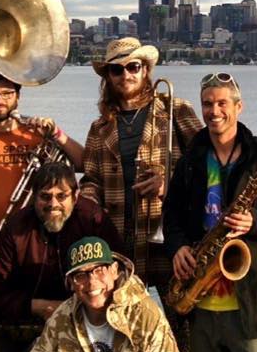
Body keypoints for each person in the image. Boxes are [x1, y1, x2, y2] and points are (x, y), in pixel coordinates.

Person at [0, 62, 86, 352]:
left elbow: (83, 163)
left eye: (7, 94)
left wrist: (55, 131)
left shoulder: (34, 132)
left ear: (18, 97)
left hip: (21, 244)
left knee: (21, 324)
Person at [163, 72, 257, 352]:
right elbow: (172, 214)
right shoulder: (190, 160)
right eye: (207, 104)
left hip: (250, 302)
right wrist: (177, 247)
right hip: (200, 300)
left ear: (239, 107)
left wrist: (255, 222)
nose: (214, 112)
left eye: (222, 103)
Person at [80, 37, 203, 287]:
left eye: (133, 67)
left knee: (180, 322)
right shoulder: (99, 127)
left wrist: (166, 184)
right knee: (123, 322)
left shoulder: (175, 110)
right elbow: (91, 179)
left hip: (169, 237)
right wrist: (91, 208)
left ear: (145, 69)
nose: (125, 75)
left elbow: (205, 166)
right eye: (116, 69)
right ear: (108, 77)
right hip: (118, 240)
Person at [0, 163, 123, 352]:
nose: (53, 204)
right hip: (21, 324)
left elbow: (120, 277)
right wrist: (37, 306)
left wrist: (74, 308)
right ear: (34, 198)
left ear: (75, 197)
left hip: (85, 319)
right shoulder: (16, 227)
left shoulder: (93, 220)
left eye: (62, 196)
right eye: (45, 196)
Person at [30, 236, 179, 352]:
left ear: (114, 270)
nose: (92, 282)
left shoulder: (145, 315)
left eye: (99, 270)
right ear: (71, 282)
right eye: (81, 275)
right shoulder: (62, 317)